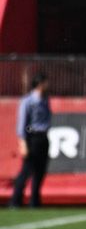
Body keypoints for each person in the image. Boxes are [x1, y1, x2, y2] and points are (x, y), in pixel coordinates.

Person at [10, 74, 51, 208]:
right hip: (31, 137)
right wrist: (23, 142)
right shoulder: (28, 101)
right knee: (26, 170)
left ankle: (34, 201)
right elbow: (23, 123)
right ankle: (16, 200)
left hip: (42, 137)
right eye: (45, 83)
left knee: (40, 171)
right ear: (40, 84)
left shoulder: (45, 100)